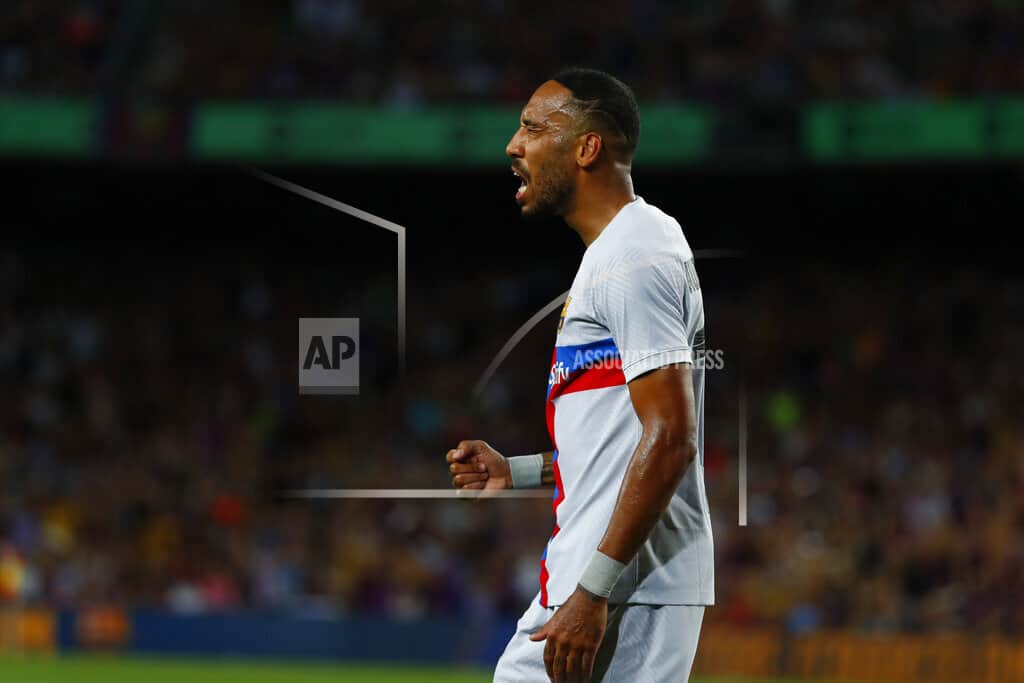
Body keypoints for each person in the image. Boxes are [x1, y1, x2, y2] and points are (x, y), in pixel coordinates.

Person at [446, 67, 714, 683]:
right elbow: (621, 440)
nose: (513, 146)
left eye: (534, 129)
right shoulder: (620, 253)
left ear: (587, 147)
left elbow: (672, 438)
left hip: (621, 587)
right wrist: (515, 471)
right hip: (607, 582)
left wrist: (592, 594)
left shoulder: (633, 255)